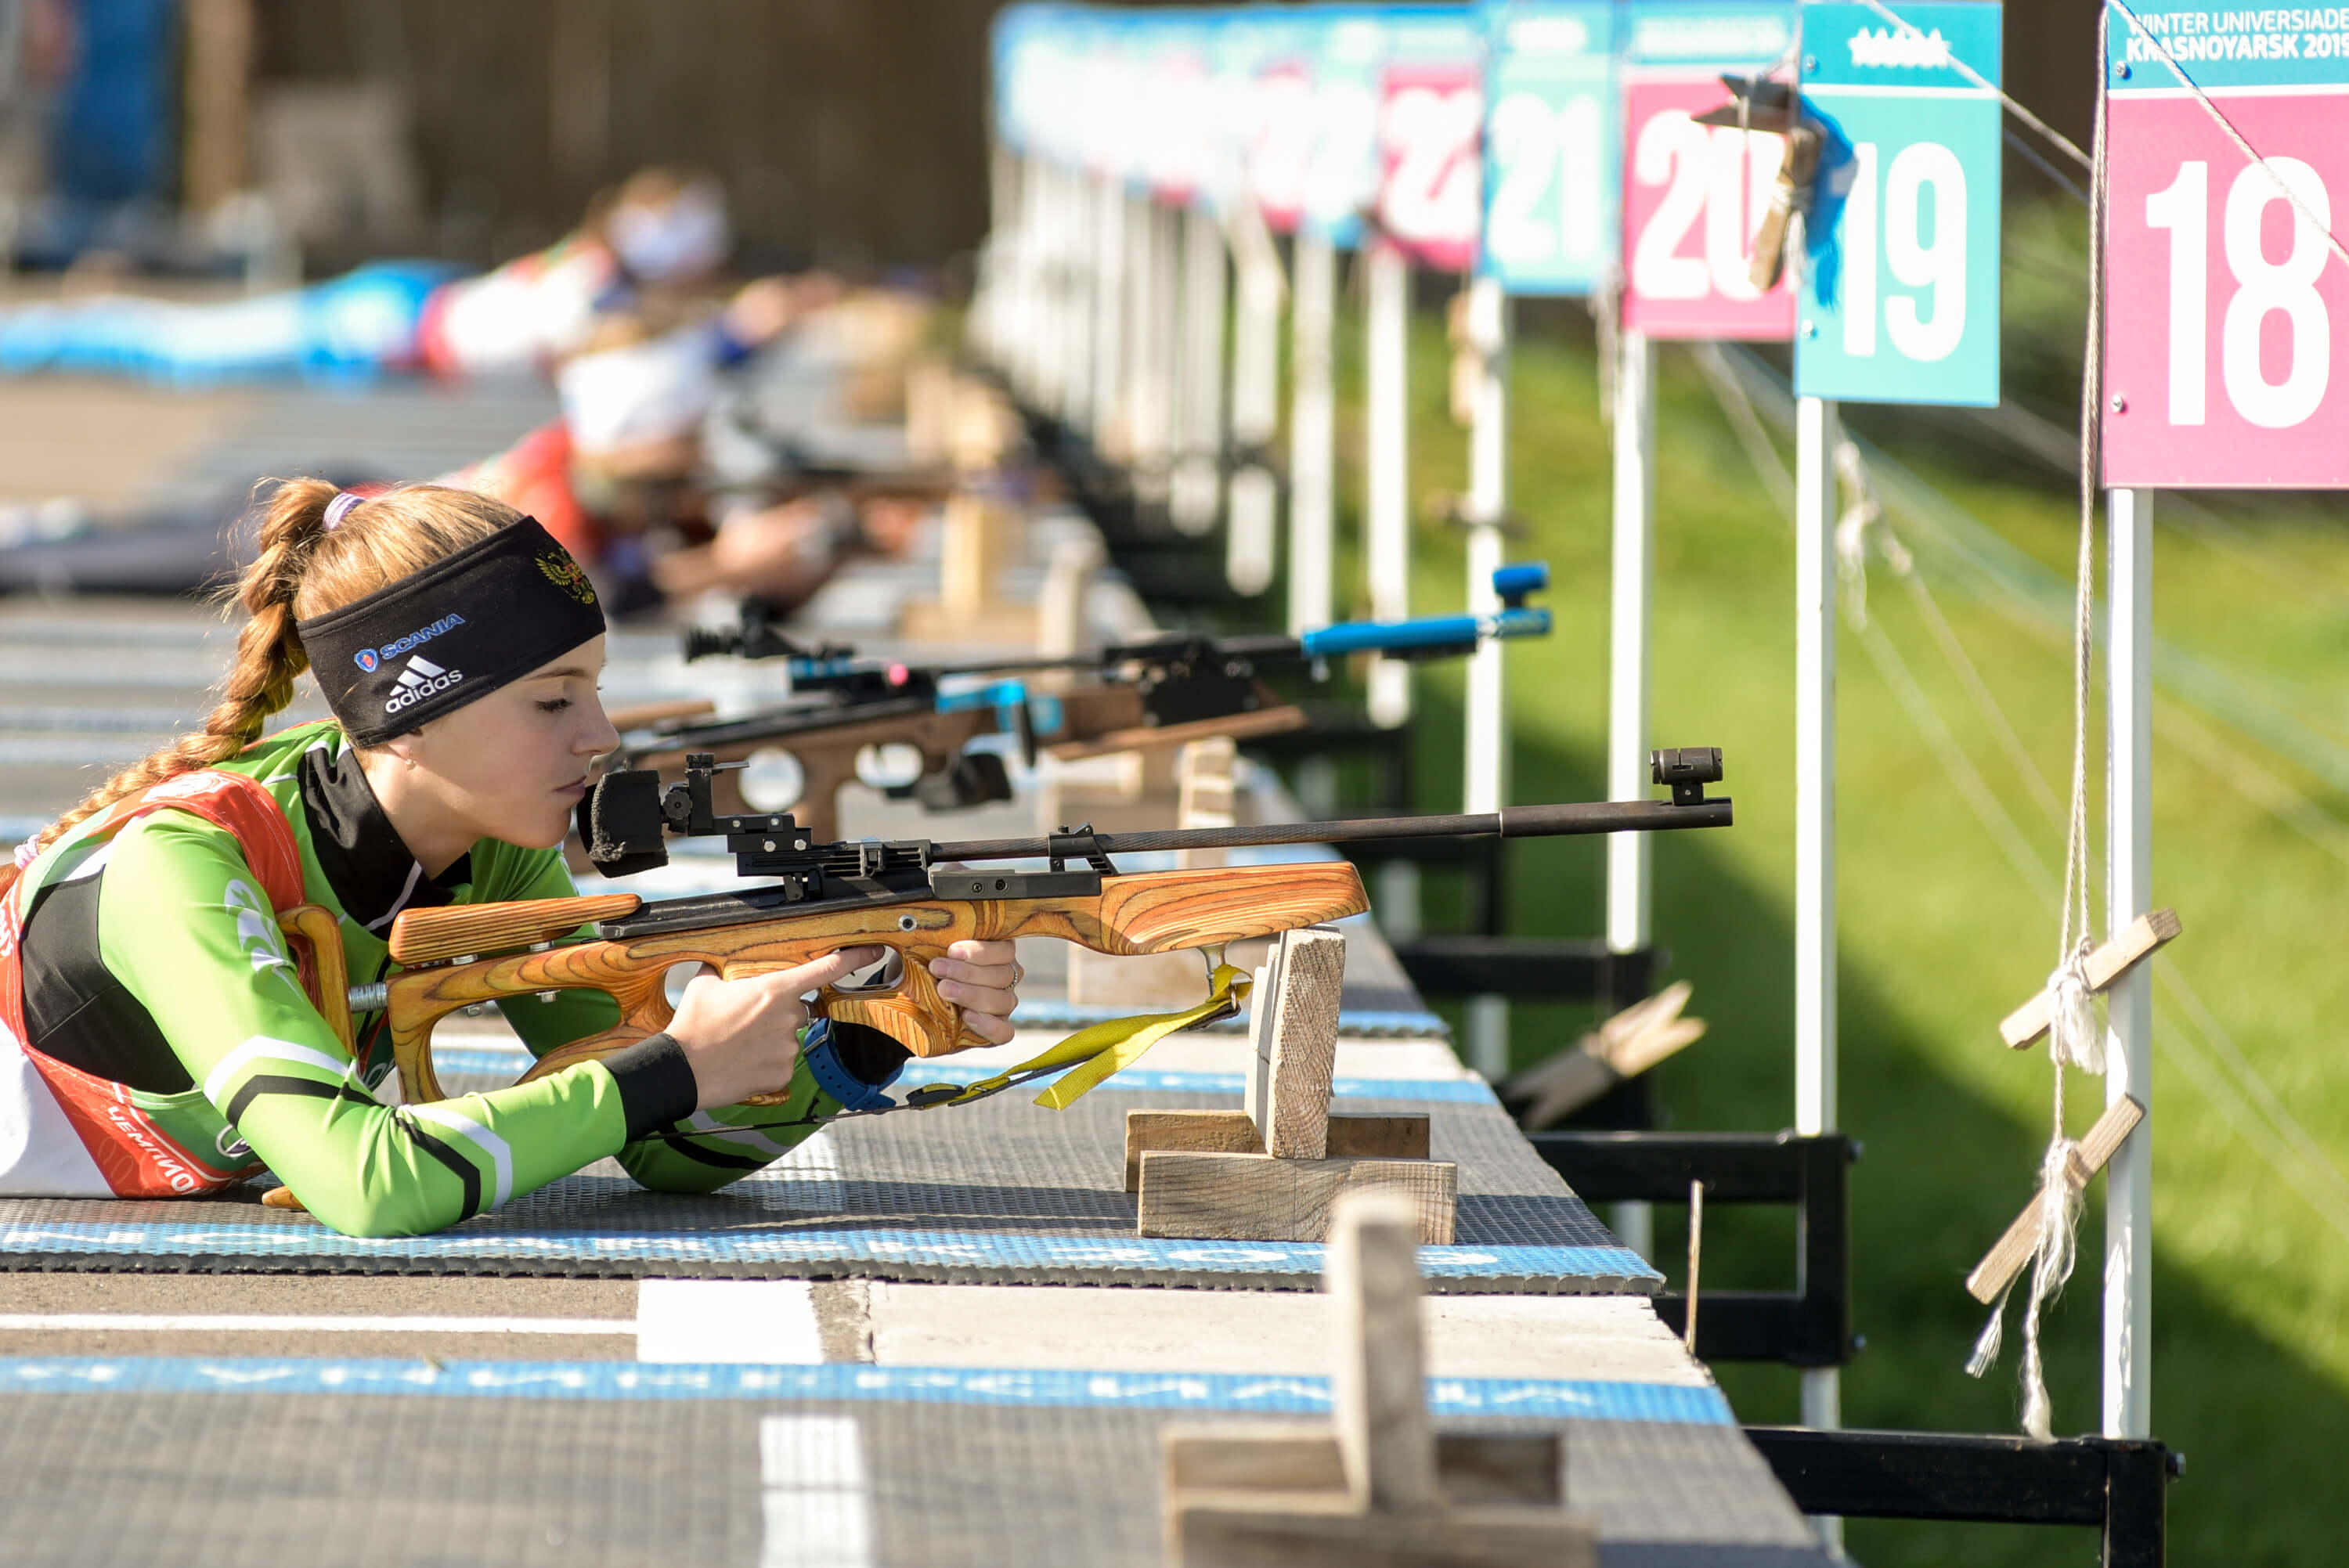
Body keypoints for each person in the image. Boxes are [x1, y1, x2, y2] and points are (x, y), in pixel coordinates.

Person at [0, 479, 1023, 1235]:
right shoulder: (183, 866)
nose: (600, 736)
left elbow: (663, 1142)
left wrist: (864, 1024)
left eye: (595, 689)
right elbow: (367, 1184)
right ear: (406, 717)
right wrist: (678, 1064)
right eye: (551, 700)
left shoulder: (491, 848)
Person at [0, 168, 832, 384]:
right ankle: (29, 338)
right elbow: (629, 353)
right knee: (180, 351)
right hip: (388, 326)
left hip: (402, 317)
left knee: (181, 349)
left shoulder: (597, 271)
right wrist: (736, 334)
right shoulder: (593, 291)